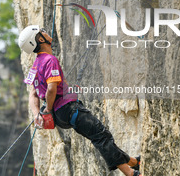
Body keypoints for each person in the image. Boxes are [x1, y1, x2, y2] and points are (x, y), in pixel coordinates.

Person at [18, 25, 142, 176]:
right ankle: (130, 173)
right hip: (67, 108)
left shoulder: (35, 66)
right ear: (40, 39)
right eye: (42, 31)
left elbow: (34, 94)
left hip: (60, 116)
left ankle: (134, 163)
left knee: (98, 135)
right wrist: (48, 108)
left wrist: (38, 113)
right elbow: (51, 89)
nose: (45, 31)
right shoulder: (49, 60)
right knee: (101, 136)